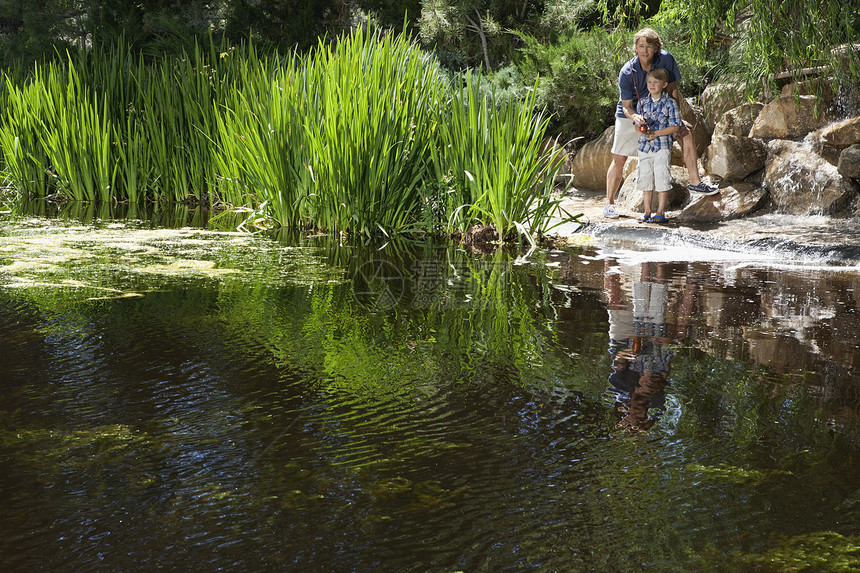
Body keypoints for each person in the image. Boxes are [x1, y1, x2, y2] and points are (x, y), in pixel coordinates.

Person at [603, 28, 718, 219]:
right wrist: (636, 118)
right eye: (641, 46)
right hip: (631, 114)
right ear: (635, 48)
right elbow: (626, 106)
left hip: (661, 111)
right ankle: (609, 203)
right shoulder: (626, 71)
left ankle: (696, 182)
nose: (645, 51)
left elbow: (672, 90)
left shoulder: (666, 59)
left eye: (649, 46)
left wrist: (677, 118)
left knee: (686, 134)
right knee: (619, 158)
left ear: (656, 48)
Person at [634, 67, 681, 224]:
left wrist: (657, 133)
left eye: (656, 82)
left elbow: (675, 127)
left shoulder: (670, 103)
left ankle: (660, 212)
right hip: (644, 147)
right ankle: (647, 211)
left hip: (662, 146)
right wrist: (641, 127)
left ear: (664, 84)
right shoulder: (643, 103)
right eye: (649, 82)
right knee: (645, 177)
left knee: (661, 177)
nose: (652, 85)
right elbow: (636, 127)